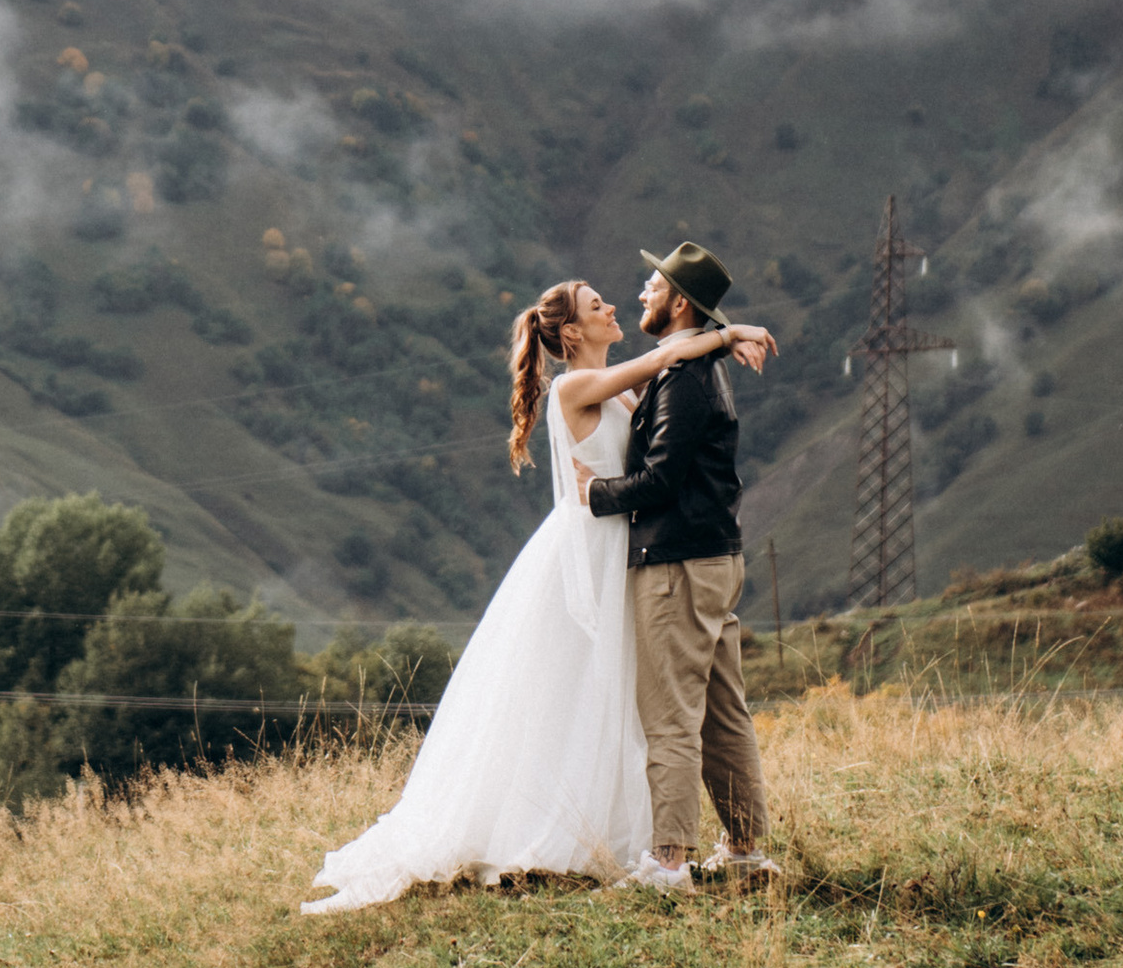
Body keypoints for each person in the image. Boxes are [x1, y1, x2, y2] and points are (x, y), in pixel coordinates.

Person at [300, 268, 771, 911]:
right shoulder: (579, 385)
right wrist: (730, 331)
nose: (615, 304)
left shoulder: (634, 384)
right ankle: (626, 840)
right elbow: (668, 355)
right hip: (607, 543)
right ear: (571, 333)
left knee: (642, 701)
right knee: (591, 691)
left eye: (616, 298)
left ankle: (671, 846)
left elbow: (667, 368)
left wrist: (721, 333)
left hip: (634, 546)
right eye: (597, 304)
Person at [576, 239, 779, 892]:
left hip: (678, 564)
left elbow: (660, 481)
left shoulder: (682, 382)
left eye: (653, 285)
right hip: (715, 556)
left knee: (669, 714)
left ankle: (667, 861)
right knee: (723, 710)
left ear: (679, 303)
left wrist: (594, 494)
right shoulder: (693, 370)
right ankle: (745, 850)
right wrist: (728, 334)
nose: (641, 292)